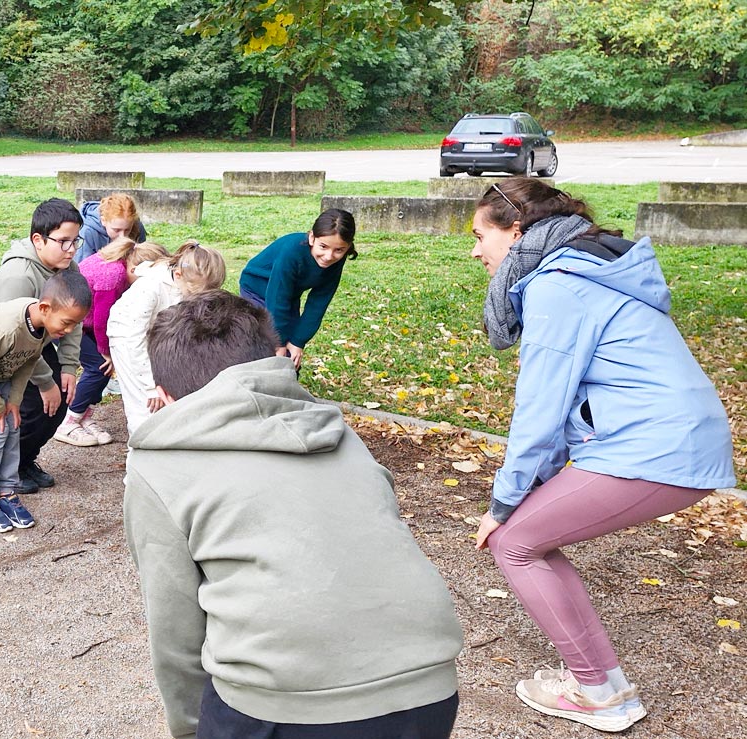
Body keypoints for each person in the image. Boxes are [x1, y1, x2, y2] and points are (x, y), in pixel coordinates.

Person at [126, 290, 464, 739]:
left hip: (280, 704)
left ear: (165, 396)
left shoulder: (158, 465)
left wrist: (190, 727)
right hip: (426, 685)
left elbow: (175, 622)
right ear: (275, 359)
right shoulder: (335, 429)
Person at [467, 178, 735, 733]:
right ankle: (603, 685)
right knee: (529, 536)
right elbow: (566, 415)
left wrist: (502, 501)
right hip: (674, 436)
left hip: (656, 444)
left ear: (516, 231)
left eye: (479, 235)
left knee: (513, 541)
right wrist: (522, 491)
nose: (475, 250)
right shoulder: (586, 272)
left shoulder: (558, 285)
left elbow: (540, 410)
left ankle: (597, 693)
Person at [0, 271, 91, 533]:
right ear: (44, 307)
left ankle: (6, 490)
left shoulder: (44, 325)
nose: (69, 330)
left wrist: (14, 401)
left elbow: (28, 361)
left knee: (12, 426)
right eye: (67, 322)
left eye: (75, 324)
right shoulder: (8, 328)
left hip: (3, 368)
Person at [0, 198, 86, 494]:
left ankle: (25, 461)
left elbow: (75, 318)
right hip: (0, 345)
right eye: (63, 242)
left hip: (34, 339)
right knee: (32, 405)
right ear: (38, 239)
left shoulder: (68, 267)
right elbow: (12, 334)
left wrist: (69, 367)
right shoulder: (19, 276)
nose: (71, 249)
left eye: (76, 241)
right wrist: (46, 381)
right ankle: (8, 469)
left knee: (60, 399)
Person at [53, 237, 168, 447]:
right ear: (137, 269)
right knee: (99, 368)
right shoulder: (112, 275)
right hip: (66, 322)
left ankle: (83, 415)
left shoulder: (122, 260)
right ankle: (68, 421)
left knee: (102, 369)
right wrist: (106, 351)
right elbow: (101, 319)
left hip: (82, 321)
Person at [108, 242, 226, 434]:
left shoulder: (186, 280)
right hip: (128, 340)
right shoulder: (150, 288)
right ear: (178, 275)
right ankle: (140, 450)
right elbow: (134, 341)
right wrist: (149, 385)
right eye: (194, 293)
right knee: (144, 404)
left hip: (158, 335)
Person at [238, 209, 357, 370]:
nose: (329, 256)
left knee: (290, 351)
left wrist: (297, 341)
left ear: (347, 247)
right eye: (323, 246)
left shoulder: (335, 260)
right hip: (256, 288)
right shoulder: (291, 251)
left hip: (290, 292)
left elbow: (318, 303)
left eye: (339, 250)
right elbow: (278, 296)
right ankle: (252, 381)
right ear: (312, 238)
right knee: (267, 342)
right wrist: (278, 342)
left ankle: (287, 388)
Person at [75, 193, 147, 265]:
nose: (122, 236)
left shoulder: (138, 227)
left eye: (127, 230)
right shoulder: (87, 232)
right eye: (116, 230)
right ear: (103, 220)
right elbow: (82, 269)